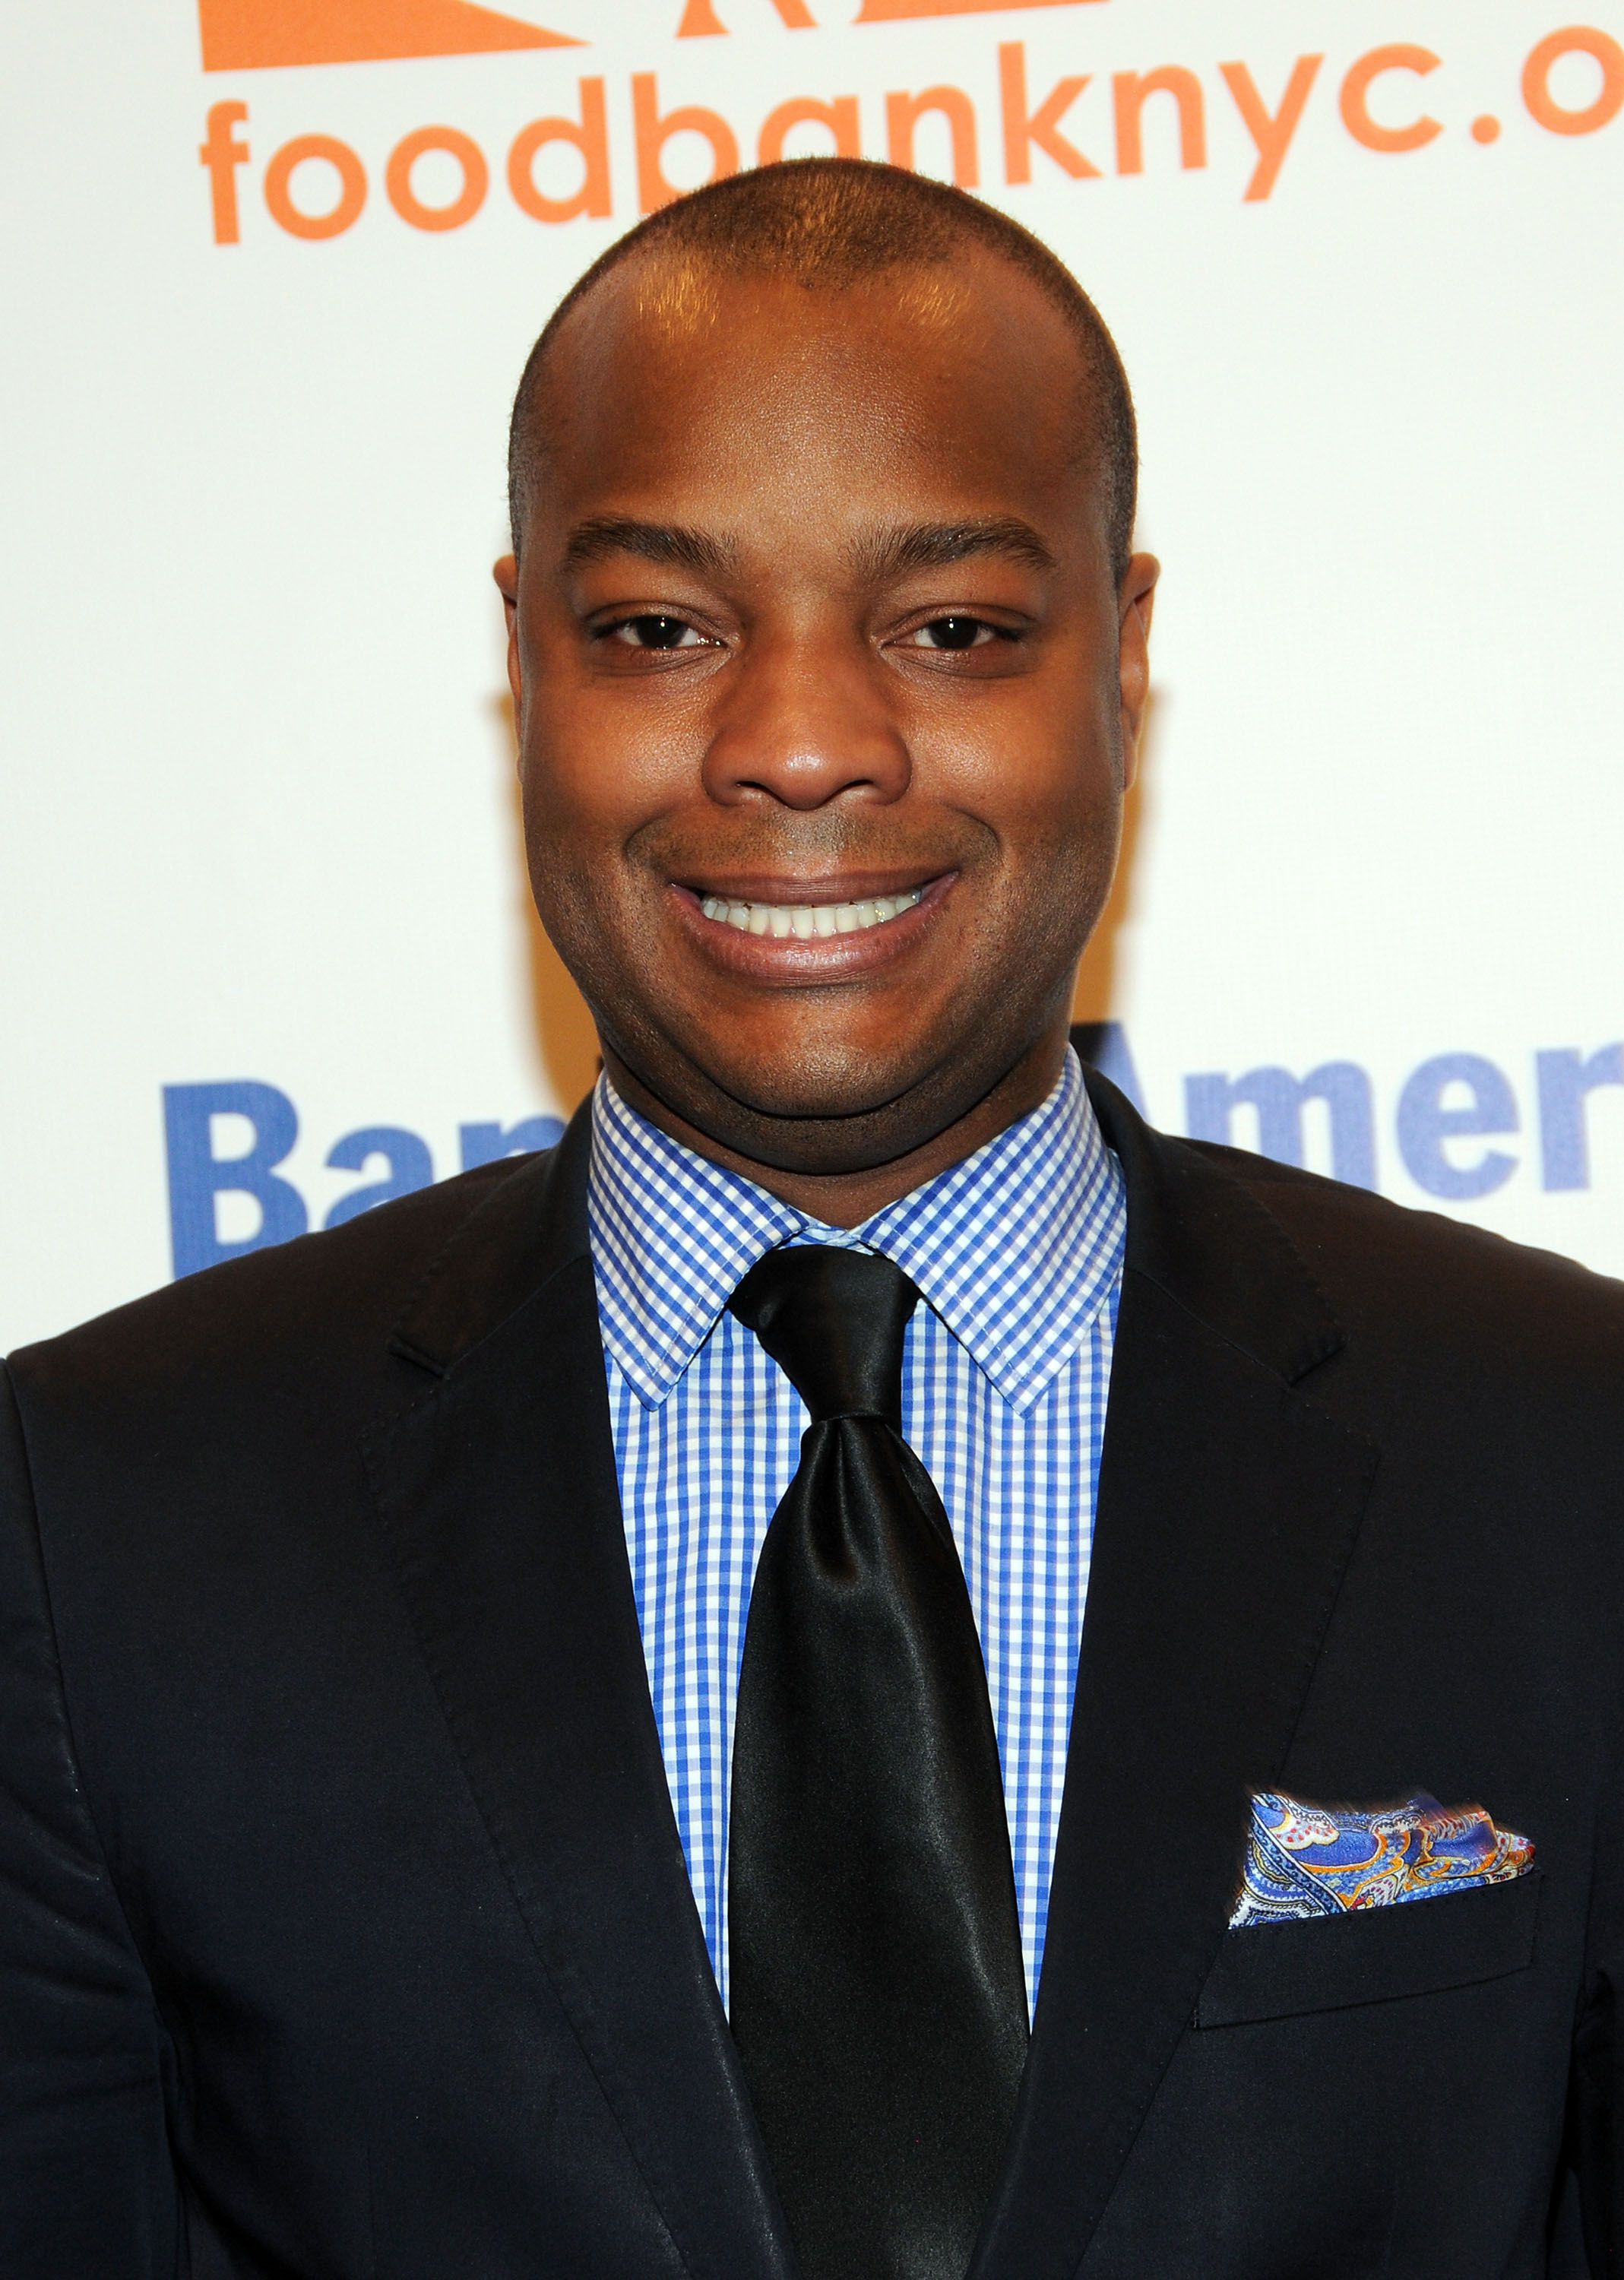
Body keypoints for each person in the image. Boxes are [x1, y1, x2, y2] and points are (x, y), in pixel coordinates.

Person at [2, 158, 1622, 2280]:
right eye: (658, 630)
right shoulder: (96, 1523)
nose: (795, 747)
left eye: (952, 630)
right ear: (523, 660)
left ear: (1122, 652)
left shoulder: (1567, 1453)